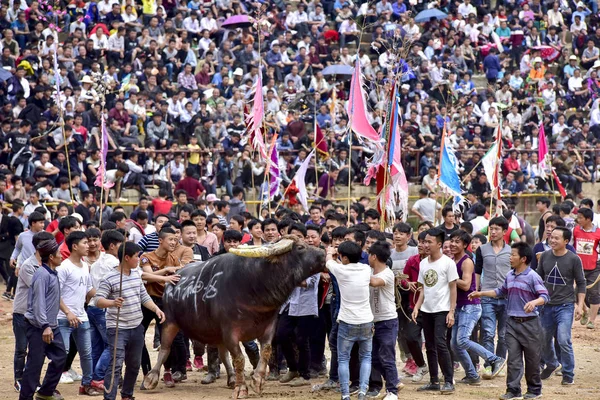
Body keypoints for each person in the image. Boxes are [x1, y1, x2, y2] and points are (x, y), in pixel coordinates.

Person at [469, 243, 549, 400]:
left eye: (513, 255)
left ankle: (534, 390)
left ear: (523, 258)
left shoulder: (533, 276)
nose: (510, 257)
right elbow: (500, 291)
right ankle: (513, 390)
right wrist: (481, 293)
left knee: (532, 360)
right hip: (512, 322)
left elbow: (544, 296)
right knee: (513, 358)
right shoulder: (510, 275)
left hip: (530, 324)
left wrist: (534, 303)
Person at [94, 242, 166, 400]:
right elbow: (98, 300)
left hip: (136, 327)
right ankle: (110, 397)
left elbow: (143, 296)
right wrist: (112, 303)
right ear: (126, 258)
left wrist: (156, 309)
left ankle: (127, 395)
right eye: (136, 257)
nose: (139, 260)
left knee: (134, 365)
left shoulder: (136, 274)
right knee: (115, 365)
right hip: (117, 328)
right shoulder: (110, 277)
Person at [448, 230, 506, 386]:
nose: (453, 244)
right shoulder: (453, 260)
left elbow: (466, 285)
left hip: (470, 306)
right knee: (455, 344)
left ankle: (494, 359)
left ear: (465, 245)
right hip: (459, 306)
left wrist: (448, 276)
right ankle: (472, 375)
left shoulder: (467, 261)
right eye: (452, 241)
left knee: (462, 340)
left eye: (457, 242)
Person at [537, 227, 586, 385]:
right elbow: (538, 278)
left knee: (564, 339)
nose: (552, 240)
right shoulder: (544, 256)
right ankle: (551, 364)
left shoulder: (574, 259)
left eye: (557, 238)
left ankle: (568, 373)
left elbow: (581, 282)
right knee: (543, 339)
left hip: (565, 306)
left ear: (566, 241)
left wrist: (580, 305)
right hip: (546, 306)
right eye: (551, 237)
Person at [19, 239, 66, 400]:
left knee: (60, 357)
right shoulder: (42, 275)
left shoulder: (54, 273)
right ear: (51, 257)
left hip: (52, 325)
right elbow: (38, 304)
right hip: (39, 327)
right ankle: (25, 397)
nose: (62, 256)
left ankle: (45, 392)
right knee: (34, 365)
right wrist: (45, 326)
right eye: (59, 254)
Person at [325, 241, 373, 400]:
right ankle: (362, 391)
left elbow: (329, 262)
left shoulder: (340, 270)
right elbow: (340, 264)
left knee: (343, 358)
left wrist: (331, 251)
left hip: (346, 322)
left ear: (344, 257)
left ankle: (345, 394)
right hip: (366, 320)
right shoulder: (366, 269)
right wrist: (338, 257)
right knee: (365, 357)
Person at [56, 231, 101, 396]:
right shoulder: (63, 268)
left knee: (87, 354)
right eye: (84, 242)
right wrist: (68, 313)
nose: (89, 245)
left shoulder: (85, 266)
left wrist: (107, 295)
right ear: (74, 246)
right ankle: (51, 386)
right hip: (63, 318)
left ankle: (87, 385)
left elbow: (89, 290)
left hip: (82, 317)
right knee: (62, 354)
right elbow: (56, 294)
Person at [12, 231, 54, 393]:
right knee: (22, 348)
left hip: (38, 314)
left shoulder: (48, 265)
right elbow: (39, 290)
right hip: (23, 312)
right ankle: (19, 379)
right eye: (48, 244)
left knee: (36, 350)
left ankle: (32, 380)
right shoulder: (29, 266)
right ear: (38, 246)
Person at [87, 230, 125, 388]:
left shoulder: (97, 263)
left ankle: (92, 378)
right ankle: (99, 377)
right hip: (104, 308)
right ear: (112, 246)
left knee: (97, 347)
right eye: (121, 245)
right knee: (113, 345)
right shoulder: (114, 263)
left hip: (92, 307)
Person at [475, 216, 511, 378]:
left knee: (503, 334)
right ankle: (488, 364)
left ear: (504, 231)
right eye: (491, 229)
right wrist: (476, 291)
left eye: (497, 229)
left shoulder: (511, 251)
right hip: (487, 296)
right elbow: (477, 272)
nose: (493, 232)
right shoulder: (482, 249)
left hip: (507, 297)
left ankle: (500, 362)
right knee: (488, 332)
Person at [366, 240, 402, 400]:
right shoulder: (369, 271)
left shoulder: (387, 273)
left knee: (387, 356)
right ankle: (392, 381)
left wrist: (355, 272)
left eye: (368, 254)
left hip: (387, 321)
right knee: (374, 357)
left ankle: (392, 391)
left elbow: (374, 282)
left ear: (373, 256)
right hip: (374, 321)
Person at [572, 207, 600, 329]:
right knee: (576, 292)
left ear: (588, 219)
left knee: (594, 293)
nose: (578, 220)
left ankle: (592, 321)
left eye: (580, 218)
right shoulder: (575, 230)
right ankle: (584, 309)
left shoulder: (598, 232)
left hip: (594, 266)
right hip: (578, 266)